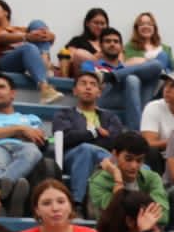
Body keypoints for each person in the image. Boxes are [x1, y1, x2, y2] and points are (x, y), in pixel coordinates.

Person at [0, 72, 47, 216]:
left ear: (12, 93)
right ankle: (11, 196)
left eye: (1, 87)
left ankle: (1, 189)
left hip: (24, 149)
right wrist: (20, 129)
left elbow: (37, 139)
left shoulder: (31, 118)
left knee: (32, 151)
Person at [52, 71, 124, 203]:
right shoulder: (64, 114)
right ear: (75, 91)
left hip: (105, 157)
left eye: (93, 84)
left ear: (99, 92)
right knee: (86, 149)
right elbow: (64, 138)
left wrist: (82, 136)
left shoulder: (110, 117)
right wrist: (94, 133)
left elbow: (116, 141)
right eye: (83, 83)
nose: (88, 87)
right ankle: (77, 202)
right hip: (73, 157)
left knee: (142, 167)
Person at [0, 0, 63, 103]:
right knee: (28, 47)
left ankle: (43, 60)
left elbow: (47, 36)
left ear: (5, 12)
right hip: (6, 62)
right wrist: (26, 37)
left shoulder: (22, 29)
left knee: (37, 23)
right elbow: (0, 37)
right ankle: (45, 88)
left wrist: (50, 36)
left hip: (30, 58)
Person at [87, 130, 169, 222]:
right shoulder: (98, 182)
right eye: (128, 159)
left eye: (139, 160)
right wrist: (117, 178)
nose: (134, 166)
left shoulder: (152, 178)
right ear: (115, 154)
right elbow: (116, 216)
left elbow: (163, 217)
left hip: (147, 230)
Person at [64, 7, 110, 72]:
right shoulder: (77, 41)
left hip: (112, 74)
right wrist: (97, 56)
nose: (99, 26)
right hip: (86, 74)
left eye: (102, 24)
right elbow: (70, 60)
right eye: (96, 23)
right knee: (80, 54)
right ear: (87, 23)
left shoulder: (112, 42)